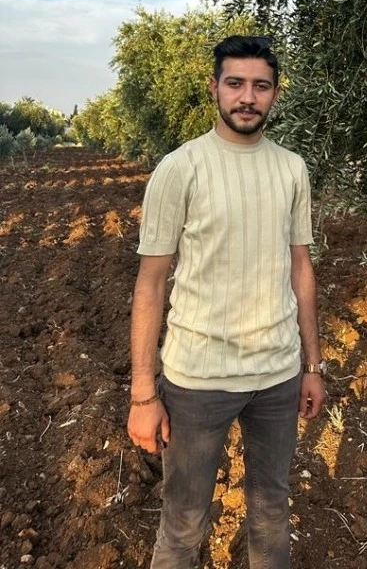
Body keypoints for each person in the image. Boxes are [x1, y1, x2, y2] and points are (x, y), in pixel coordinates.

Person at [127, 35, 326, 569]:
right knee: (183, 525)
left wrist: (311, 366)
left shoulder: (292, 169)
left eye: (261, 86)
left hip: (277, 377)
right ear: (214, 87)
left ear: (275, 93)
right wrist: (143, 394)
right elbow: (151, 283)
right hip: (198, 380)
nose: (247, 97)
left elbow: (301, 267)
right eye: (235, 83)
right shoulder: (180, 168)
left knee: (271, 511)